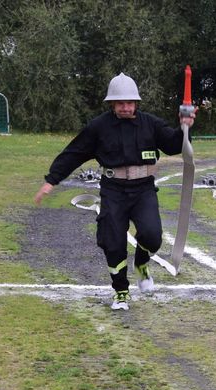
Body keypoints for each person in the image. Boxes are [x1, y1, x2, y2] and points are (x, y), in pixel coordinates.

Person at [34, 72, 196, 310]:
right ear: (112, 104)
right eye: (120, 103)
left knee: (152, 236)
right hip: (113, 191)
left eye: (129, 102)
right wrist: (52, 180)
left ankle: (142, 263)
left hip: (143, 189)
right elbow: (74, 153)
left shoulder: (150, 123)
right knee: (112, 242)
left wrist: (185, 127)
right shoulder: (99, 127)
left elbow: (173, 146)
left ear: (136, 103)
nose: (125, 107)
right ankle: (121, 291)